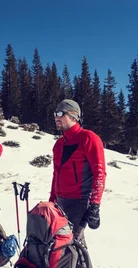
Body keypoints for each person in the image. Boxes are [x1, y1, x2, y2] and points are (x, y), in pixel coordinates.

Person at [49, 99, 106, 244]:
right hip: (60, 202)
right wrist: (52, 200)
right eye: (55, 113)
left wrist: (94, 205)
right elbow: (56, 174)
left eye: (61, 113)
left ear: (74, 116)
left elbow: (99, 173)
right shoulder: (59, 144)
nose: (56, 117)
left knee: (71, 244)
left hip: (79, 201)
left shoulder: (88, 138)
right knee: (56, 244)